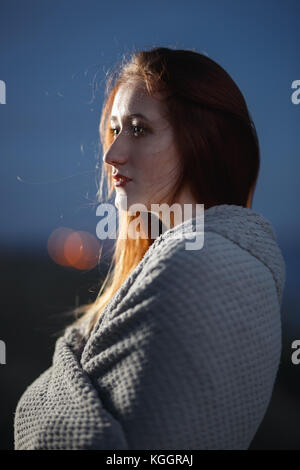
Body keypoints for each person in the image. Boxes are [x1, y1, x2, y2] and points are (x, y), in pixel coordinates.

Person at [14, 47, 286, 450]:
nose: (111, 154)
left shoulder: (196, 263)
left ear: (201, 142)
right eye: (114, 129)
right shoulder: (204, 255)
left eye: (139, 129)